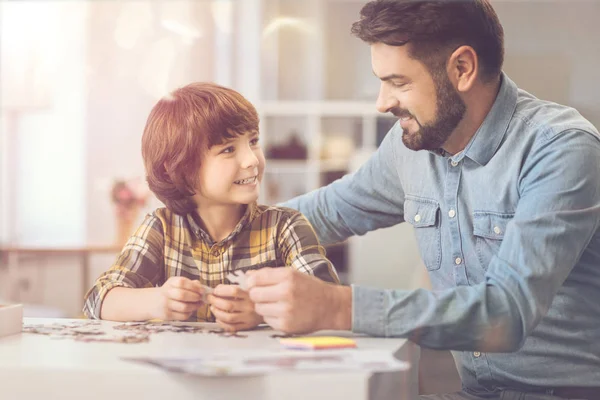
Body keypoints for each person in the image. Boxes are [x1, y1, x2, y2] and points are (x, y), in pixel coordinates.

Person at [245, 1, 600, 398]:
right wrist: (208, 226)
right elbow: (325, 212)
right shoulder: (409, 146)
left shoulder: (561, 148)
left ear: (462, 68)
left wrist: (338, 306)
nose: (382, 102)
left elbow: (507, 312)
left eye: (398, 82)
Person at [83, 82, 339, 331]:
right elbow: (98, 301)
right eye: (228, 149)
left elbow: (326, 303)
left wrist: (261, 311)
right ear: (181, 169)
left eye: (253, 141)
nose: (251, 160)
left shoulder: (285, 227)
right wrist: (158, 301)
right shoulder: (161, 228)